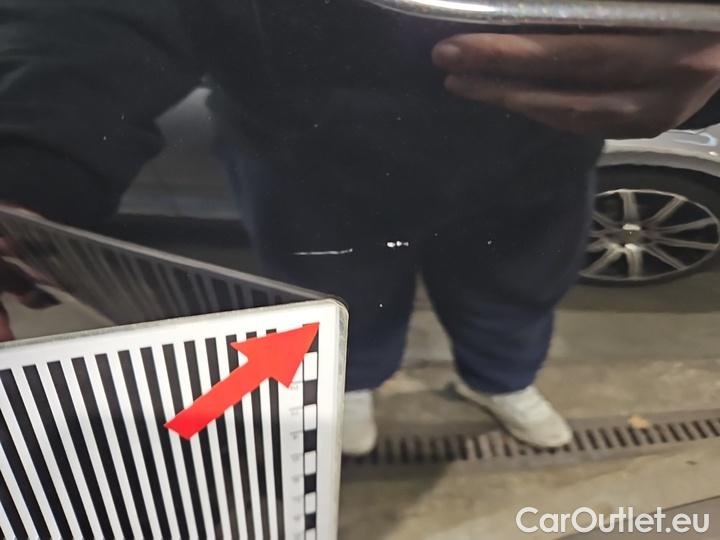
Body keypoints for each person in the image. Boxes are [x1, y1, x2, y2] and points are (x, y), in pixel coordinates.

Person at [1, 0, 719, 455]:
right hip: (308, 166)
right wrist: (31, 161)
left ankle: (500, 382)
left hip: (531, 160)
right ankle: (353, 384)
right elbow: (95, 16)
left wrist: (703, 58)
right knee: (337, 307)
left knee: (514, 297)